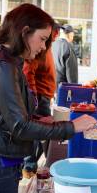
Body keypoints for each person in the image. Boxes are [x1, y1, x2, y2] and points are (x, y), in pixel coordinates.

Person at [0, 3, 97, 193]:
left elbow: (9, 116)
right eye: (42, 39)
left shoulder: (8, 61)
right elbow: (20, 126)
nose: (43, 47)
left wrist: (42, 121)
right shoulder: (2, 65)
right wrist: (72, 126)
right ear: (24, 32)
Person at [22, 23, 60, 173]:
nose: (56, 34)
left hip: (44, 96)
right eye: (54, 32)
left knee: (42, 133)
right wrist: (34, 99)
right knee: (39, 133)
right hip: (39, 98)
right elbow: (27, 72)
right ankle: (29, 166)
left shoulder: (46, 47)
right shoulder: (37, 49)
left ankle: (31, 165)